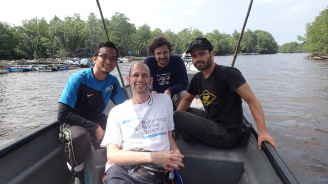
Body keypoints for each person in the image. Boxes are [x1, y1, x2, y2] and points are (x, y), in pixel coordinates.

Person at [174, 38, 277, 150]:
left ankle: (193, 141)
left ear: (212, 54)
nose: (198, 59)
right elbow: (187, 100)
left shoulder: (228, 74)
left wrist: (263, 132)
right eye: (194, 56)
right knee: (180, 112)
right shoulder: (198, 78)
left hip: (229, 135)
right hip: (213, 122)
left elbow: (252, 100)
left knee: (177, 116)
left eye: (202, 54)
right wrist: (173, 125)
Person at [101, 62, 184, 184]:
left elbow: (169, 137)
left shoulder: (164, 101)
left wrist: (175, 155)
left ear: (151, 80)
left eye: (144, 75)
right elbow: (112, 155)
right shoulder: (116, 112)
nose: (140, 79)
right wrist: (154, 158)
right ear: (129, 80)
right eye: (136, 75)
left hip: (157, 172)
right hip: (123, 170)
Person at [57, 42, 126, 184]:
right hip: (73, 121)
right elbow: (62, 114)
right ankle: (77, 171)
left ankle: (119, 164)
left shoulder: (112, 81)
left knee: (123, 126)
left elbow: (124, 109)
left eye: (113, 58)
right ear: (94, 58)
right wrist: (94, 127)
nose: (109, 61)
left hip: (97, 118)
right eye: (104, 56)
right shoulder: (78, 79)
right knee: (79, 136)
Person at [144, 37, 189, 109]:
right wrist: (151, 91)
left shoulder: (177, 60)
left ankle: (177, 116)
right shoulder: (148, 62)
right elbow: (143, 82)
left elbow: (184, 82)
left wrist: (170, 90)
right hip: (155, 96)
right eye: (158, 53)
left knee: (184, 94)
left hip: (173, 96)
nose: (162, 56)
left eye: (165, 52)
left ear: (169, 52)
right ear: (153, 55)